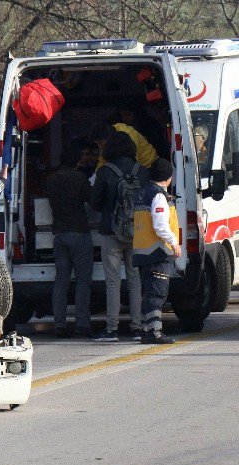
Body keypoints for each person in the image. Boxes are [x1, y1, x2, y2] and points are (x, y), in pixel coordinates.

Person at [89, 131, 148, 342]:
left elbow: (95, 203)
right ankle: (138, 327)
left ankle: (111, 329)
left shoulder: (105, 171)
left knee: (112, 281)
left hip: (111, 232)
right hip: (138, 234)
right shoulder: (142, 171)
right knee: (136, 280)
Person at [47, 146, 94, 338]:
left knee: (61, 282)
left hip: (59, 235)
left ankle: (59, 324)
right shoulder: (79, 179)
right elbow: (92, 199)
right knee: (83, 281)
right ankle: (82, 324)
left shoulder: (51, 181)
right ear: (76, 160)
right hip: (79, 233)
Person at [132, 158, 180, 344]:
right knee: (157, 293)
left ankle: (147, 330)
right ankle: (154, 332)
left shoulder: (143, 192)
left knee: (148, 292)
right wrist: (174, 243)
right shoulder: (159, 196)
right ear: (168, 178)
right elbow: (160, 225)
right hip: (157, 251)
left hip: (143, 251)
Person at [91, 121, 157, 169]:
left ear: (106, 138)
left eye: (100, 143)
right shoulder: (108, 140)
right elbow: (102, 161)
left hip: (150, 165)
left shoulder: (128, 136)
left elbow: (131, 164)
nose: (99, 146)